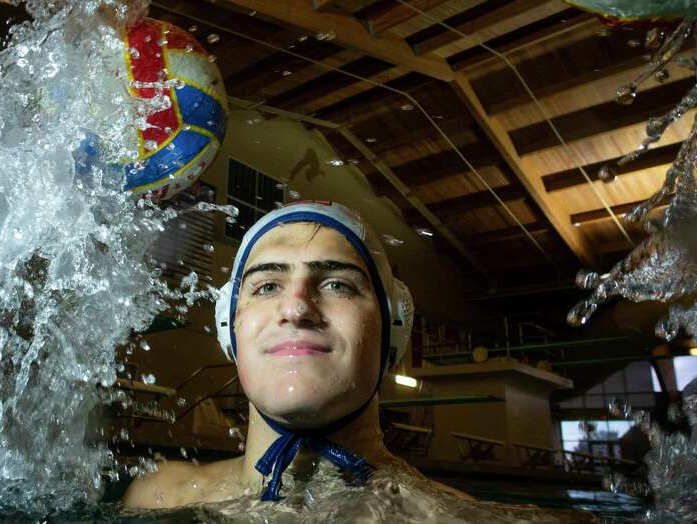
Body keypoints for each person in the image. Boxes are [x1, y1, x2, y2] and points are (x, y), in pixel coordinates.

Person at [122, 201, 598, 523]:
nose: (295, 307)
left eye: (338, 285)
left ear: (394, 329)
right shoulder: (154, 495)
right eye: (267, 285)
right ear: (230, 327)